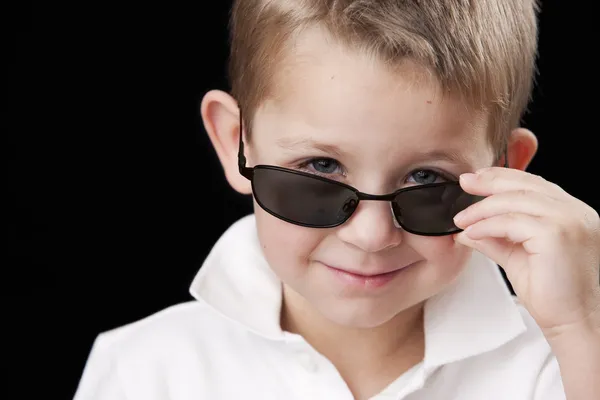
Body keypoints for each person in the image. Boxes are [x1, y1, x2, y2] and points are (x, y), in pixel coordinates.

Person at [73, 1, 600, 399]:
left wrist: (581, 328)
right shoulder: (143, 370)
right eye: (320, 169)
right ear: (235, 141)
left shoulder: (563, 362)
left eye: (425, 179)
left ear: (506, 171)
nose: (371, 236)